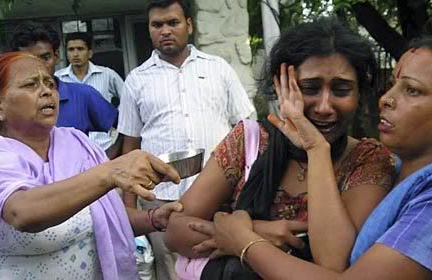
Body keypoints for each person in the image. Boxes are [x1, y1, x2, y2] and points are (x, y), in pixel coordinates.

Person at [192, 36, 432, 279]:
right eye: (393, 85)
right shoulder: (402, 174)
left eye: (412, 90)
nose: (386, 99)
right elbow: (177, 228)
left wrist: (243, 241)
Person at [165, 16, 397, 278]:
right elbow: (174, 232)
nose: (324, 106)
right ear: (281, 86)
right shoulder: (248, 141)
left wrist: (316, 150)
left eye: (341, 90)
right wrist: (257, 231)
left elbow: (334, 263)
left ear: (359, 95)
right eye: (309, 88)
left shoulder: (368, 160)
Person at [0, 52, 183, 279]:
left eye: (49, 83)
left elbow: (108, 217)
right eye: (31, 85)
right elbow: (21, 212)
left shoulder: (77, 143)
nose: (46, 91)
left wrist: (153, 218)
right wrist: (110, 172)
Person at [118, 0, 256, 278]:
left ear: (189, 25)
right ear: (149, 29)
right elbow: (130, 147)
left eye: (173, 22)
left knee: (224, 268)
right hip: (162, 203)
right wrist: (129, 211)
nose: (165, 31)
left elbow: (246, 131)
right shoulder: (136, 80)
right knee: (172, 271)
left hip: (221, 197)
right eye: (157, 25)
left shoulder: (219, 69)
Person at [9, 23, 118, 139]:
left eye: (45, 58)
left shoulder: (83, 95)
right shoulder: (8, 102)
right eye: (28, 60)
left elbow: (126, 129)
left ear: (56, 56)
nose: (38, 66)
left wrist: (105, 157)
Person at [55, 31, 124, 159]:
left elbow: (127, 100)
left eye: (80, 49)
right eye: (71, 49)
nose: (75, 54)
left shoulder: (107, 75)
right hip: (70, 152)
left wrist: (114, 118)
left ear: (90, 52)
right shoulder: (58, 78)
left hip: (104, 147)